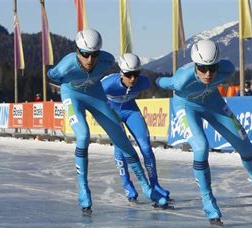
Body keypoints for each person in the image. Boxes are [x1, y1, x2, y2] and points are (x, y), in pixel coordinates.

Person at [157, 39, 252, 226]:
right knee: (201, 148)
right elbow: (161, 81)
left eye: (212, 68)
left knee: (244, 143)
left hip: (212, 102)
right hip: (186, 106)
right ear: (195, 66)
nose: (208, 74)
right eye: (202, 69)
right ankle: (208, 201)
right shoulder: (182, 80)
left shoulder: (227, 68)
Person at [47, 28, 169, 215]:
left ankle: (147, 188)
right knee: (83, 136)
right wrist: (66, 82)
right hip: (72, 94)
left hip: (94, 94)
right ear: (77, 51)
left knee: (122, 140)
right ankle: (83, 189)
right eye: (85, 55)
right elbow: (52, 75)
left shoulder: (107, 60)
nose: (90, 60)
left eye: (94, 55)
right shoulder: (66, 65)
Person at [101, 53, 170, 203]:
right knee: (122, 148)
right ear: (121, 73)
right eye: (128, 75)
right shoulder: (107, 84)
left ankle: (155, 185)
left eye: (136, 74)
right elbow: (93, 97)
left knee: (146, 147)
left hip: (130, 110)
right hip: (112, 111)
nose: (133, 79)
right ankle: (127, 185)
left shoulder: (143, 82)